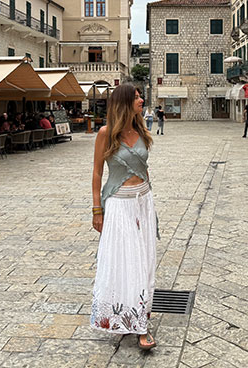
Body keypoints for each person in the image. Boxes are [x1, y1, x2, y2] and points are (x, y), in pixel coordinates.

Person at [90, 84, 157, 350]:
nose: (141, 100)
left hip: (143, 202)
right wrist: (97, 210)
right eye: (137, 97)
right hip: (118, 204)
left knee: (145, 259)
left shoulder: (140, 130)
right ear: (125, 102)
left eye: (141, 96)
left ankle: (141, 314)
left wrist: (148, 202)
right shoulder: (106, 134)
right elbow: (97, 174)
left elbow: (145, 168)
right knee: (126, 262)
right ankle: (134, 324)